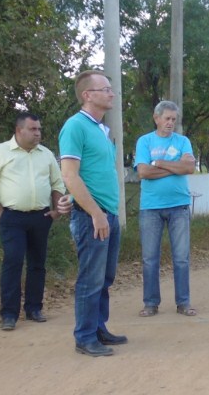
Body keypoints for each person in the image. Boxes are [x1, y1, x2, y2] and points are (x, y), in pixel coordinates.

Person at [0, 112, 70, 331]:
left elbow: (57, 182)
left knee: (37, 263)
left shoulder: (45, 154)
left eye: (39, 129)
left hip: (41, 216)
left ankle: (34, 308)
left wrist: (57, 210)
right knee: (13, 260)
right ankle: (9, 314)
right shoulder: (0, 152)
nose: (38, 133)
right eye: (33, 129)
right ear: (19, 130)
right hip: (12, 217)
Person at [59, 70, 127, 357]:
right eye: (106, 89)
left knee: (105, 277)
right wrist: (96, 214)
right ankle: (85, 337)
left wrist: (107, 213)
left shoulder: (101, 129)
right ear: (88, 95)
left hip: (107, 213)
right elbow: (70, 176)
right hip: (92, 216)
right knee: (90, 278)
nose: (112, 93)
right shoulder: (75, 127)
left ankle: (98, 328)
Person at [134, 100, 197, 318]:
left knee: (181, 257)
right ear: (156, 118)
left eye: (173, 119)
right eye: (167, 118)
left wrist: (159, 163)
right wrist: (175, 167)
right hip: (150, 208)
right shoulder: (145, 141)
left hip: (179, 206)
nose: (170, 123)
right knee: (150, 258)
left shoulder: (183, 141)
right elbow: (143, 172)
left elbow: (189, 168)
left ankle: (183, 302)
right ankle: (151, 303)